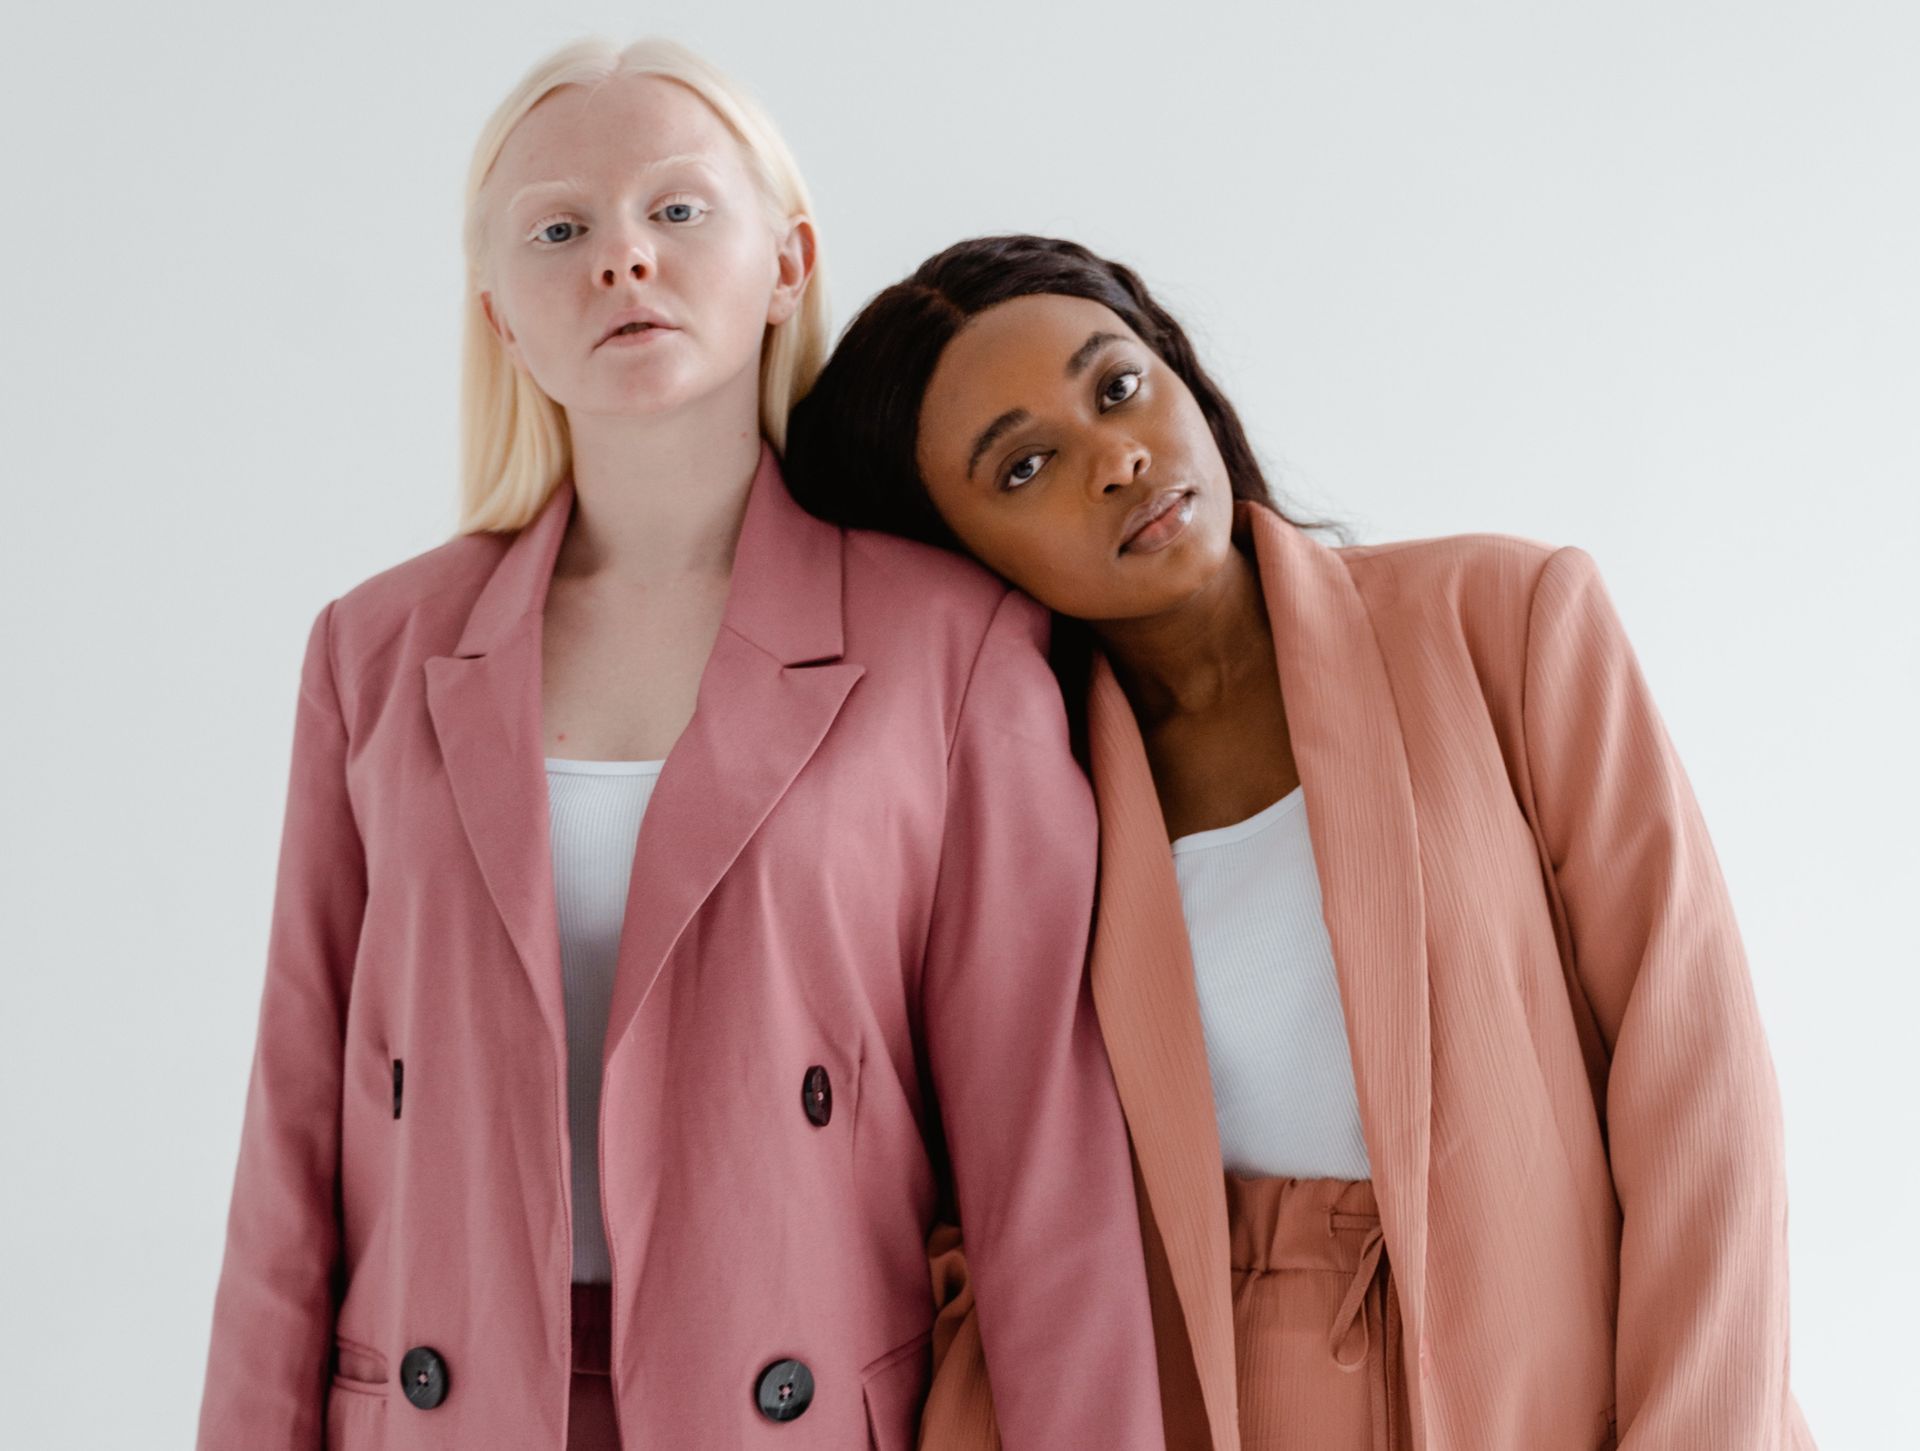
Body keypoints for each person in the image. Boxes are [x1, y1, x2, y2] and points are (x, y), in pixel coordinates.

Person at [193, 49, 1163, 1451]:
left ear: (789, 259)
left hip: (801, 1406)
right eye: (560, 228)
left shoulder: (953, 647)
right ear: (501, 318)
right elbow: (291, 1141)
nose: (622, 260)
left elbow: (1046, 1176)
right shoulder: (377, 650)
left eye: (681, 210)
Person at [782, 233, 1820, 1451]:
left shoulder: (1505, 622)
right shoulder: (1003, 823)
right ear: (949, 555)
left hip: (1561, 1385)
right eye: (1023, 467)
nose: (1116, 457)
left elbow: (1694, 1076)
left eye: (1119, 387)